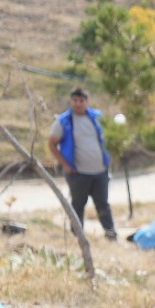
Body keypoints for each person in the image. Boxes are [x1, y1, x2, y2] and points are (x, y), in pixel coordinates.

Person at [48, 87, 117, 240]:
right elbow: (52, 144)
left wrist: (110, 157)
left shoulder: (97, 117)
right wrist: (65, 165)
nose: (78, 104)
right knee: (78, 205)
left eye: (81, 101)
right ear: (71, 101)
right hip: (77, 173)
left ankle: (111, 234)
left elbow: (109, 137)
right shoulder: (63, 121)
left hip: (100, 171)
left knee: (103, 204)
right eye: (75, 101)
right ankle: (78, 237)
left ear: (87, 101)